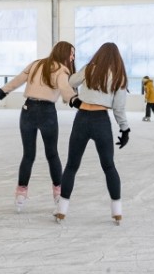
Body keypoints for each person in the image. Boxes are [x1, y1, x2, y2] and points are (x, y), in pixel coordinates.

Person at [0, 41, 78, 212]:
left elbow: (17, 80)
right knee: (52, 154)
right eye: (72, 53)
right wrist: (76, 101)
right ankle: (59, 193)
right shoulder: (62, 70)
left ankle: (21, 194)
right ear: (64, 53)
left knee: (28, 155)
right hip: (47, 113)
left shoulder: (36, 64)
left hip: (28, 111)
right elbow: (64, 88)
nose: (73, 57)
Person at [56, 43, 131, 225]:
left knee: (72, 166)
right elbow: (119, 108)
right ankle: (117, 212)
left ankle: (61, 211)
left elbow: (71, 82)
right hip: (101, 121)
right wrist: (124, 129)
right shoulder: (120, 76)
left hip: (81, 118)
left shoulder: (90, 68)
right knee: (109, 167)